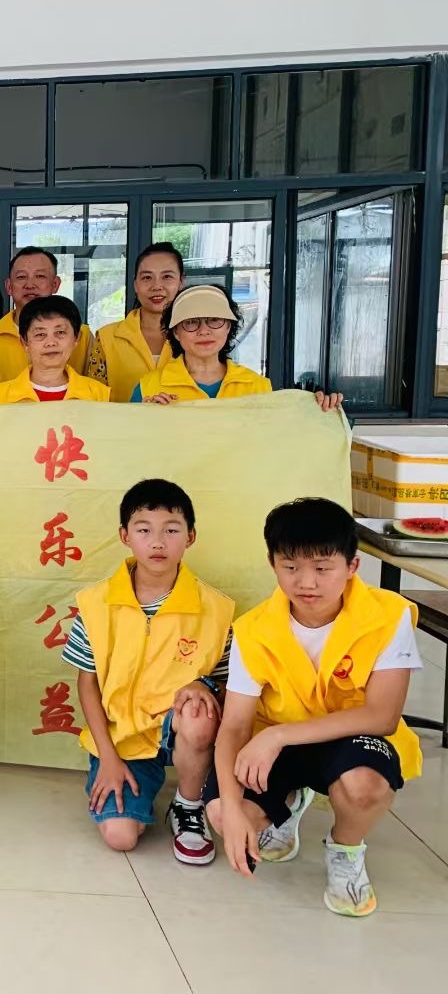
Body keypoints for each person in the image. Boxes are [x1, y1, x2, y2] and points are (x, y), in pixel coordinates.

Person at [206, 498, 424, 917]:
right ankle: (287, 805)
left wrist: (277, 735)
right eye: (290, 566)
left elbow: (382, 716)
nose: (306, 582)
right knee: (221, 811)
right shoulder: (253, 630)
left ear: (352, 566)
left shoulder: (388, 616)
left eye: (323, 568)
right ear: (272, 564)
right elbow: (233, 727)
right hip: (278, 744)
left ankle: (345, 851)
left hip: (349, 738)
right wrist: (232, 810)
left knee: (364, 787)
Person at [63, 479, 235, 864]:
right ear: (125, 536)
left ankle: (188, 804)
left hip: (180, 726)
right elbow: (87, 684)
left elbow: (228, 683)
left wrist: (204, 686)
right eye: (144, 530)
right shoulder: (95, 604)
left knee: (198, 711)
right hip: (121, 736)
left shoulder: (216, 609)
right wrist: (108, 757)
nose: (157, 542)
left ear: (190, 537)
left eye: (171, 530)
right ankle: (135, 783)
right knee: (121, 836)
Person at [134, 285, 344, 411]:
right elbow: (132, 450)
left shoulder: (258, 387)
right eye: (191, 322)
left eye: (214, 320)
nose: (204, 331)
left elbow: (277, 444)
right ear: (175, 332)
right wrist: (145, 417)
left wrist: (320, 409)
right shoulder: (148, 388)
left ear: (228, 327)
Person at [0, 247, 95, 383]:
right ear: (9, 286)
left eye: (40, 276)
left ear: (55, 284)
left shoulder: (82, 336)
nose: (30, 285)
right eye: (21, 277)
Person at [91, 242, 184, 402]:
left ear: (181, 282)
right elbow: (93, 399)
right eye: (147, 277)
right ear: (135, 284)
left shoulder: (197, 336)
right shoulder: (107, 337)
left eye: (167, 277)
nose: (157, 286)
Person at [0, 295, 111, 404]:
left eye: (60, 332)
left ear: (76, 338)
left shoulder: (98, 394)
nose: (51, 343)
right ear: (24, 342)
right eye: (40, 334)